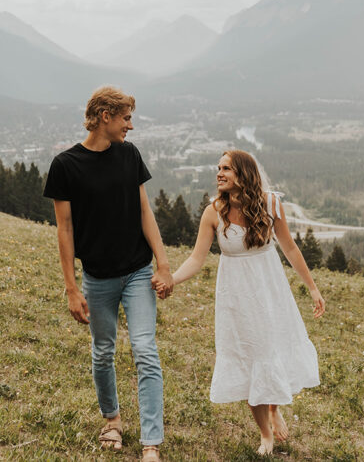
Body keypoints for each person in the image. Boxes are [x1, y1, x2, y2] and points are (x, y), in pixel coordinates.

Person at [161, 149, 324, 455]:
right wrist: (172, 280)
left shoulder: (271, 203)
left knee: (271, 349)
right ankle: (265, 435)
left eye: (227, 169)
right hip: (236, 295)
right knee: (251, 356)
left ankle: (274, 407)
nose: (219, 173)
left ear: (244, 174)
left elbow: (289, 248)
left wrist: (313, 289)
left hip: (269, 287)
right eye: (218, 168)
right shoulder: (213, 212)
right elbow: (197, 259)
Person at [43, 86, 174, 462]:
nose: (130, 126)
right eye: (126, 118)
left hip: (137, 272)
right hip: (97, 277)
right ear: (105, 116)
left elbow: (145, 211)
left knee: (145, 350)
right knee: (103, 352)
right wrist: (71, 287)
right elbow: (64, 229)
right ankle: (112, 420)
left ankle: (151, 441)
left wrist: (162, 263)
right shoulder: (65, 166)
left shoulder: (129, 155)